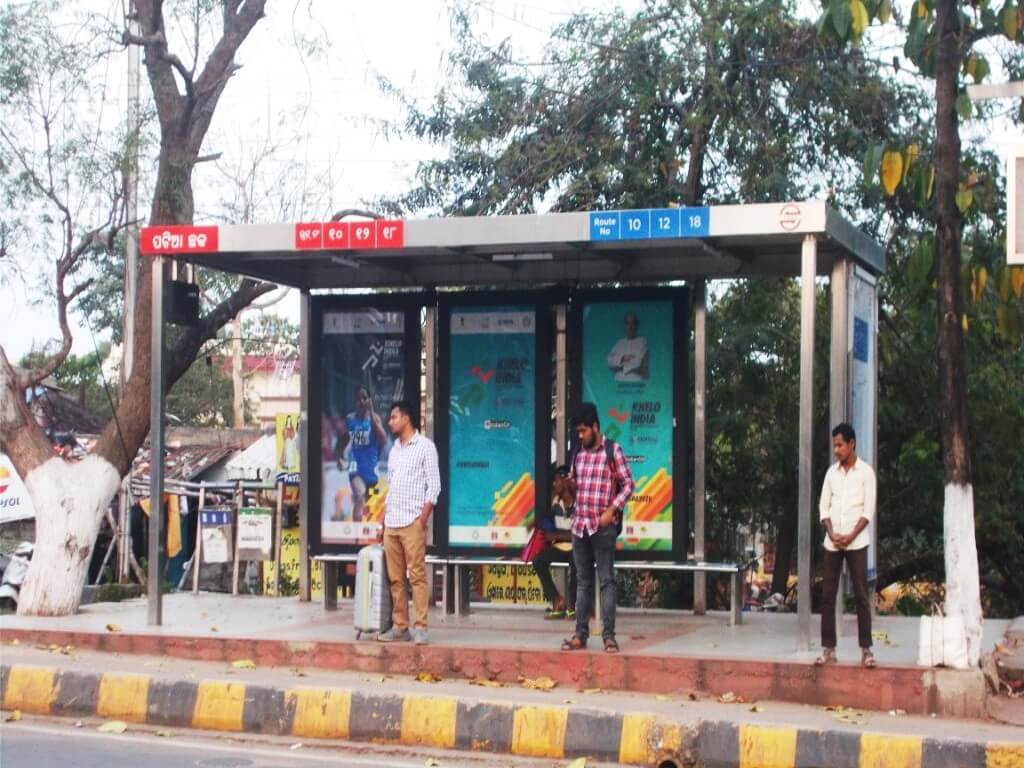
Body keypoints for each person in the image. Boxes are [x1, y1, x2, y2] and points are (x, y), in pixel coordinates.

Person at [561, 402, 634, 654]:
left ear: (595, 427)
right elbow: (574, 486)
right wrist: (565, 489)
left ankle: (609, 636)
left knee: (606, 582)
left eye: (583, 431)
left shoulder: (613, 451)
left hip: (602, 527)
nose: (580, 436)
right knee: (582, 582)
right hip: (580, 526)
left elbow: (628, 485)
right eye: (578, 432)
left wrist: (611, 510)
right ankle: (580, 634)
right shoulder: (578, 455)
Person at [377, 400, 440, 645]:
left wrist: (422, 519)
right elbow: (391, 487)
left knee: (416, 576)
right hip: (392, 522)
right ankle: (400, 626)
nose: (390, 422)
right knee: (395, 579)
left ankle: (421, 626)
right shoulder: (394, 450)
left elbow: (434, 486)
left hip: (412, 521)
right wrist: (383, 522)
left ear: (406, 418)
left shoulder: (425, 447)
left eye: (394, 417)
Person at [815, 422, 877, 669]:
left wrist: (850, 535)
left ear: (852, 444)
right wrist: (832, 533)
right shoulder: (832, 473)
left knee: (861, 597)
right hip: (832, 543)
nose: (837, 450)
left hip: (857, 542)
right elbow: (823, 507)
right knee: (828, 597)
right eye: (834, 446)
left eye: (840, 445)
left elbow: (868, 510)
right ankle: (828, 649)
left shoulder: (866, 473)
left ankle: (866, 650)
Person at [334, 386, 389, 521]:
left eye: (365, 398)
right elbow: (342, 440)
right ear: (355, 401)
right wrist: (340, 457)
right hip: (355, 466)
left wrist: (371, 411)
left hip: (371, 468)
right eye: (359, 398)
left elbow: (383, 439)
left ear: (369, 400)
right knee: (360, 494)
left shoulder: (375, 419)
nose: (362, 401)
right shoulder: (350, 419)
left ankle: (363, 530)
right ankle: (355, 532)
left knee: (370, 504)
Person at [531, 465, 578, 620]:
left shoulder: (579, 503)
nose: (554, 484)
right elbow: (548, 530)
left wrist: (558, 536)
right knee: (538, 561)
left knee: (578, 564)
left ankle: (572, 606)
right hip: (559, 548)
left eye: (556, 480)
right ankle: (557, 601)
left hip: (577, 548)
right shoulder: (555, 503)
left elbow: (579, 534)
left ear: (565, 481)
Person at [606, 311, 648, 382]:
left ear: (637, 325)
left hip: (636, 383)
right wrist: (623, 358)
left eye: (633, 323)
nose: (630, 327)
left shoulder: (642, 342)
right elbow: (609, 362)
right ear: (625, 326)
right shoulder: (619, 343)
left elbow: (638, 364)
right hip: (619, 384)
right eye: (627, 323)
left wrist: (620, 366)